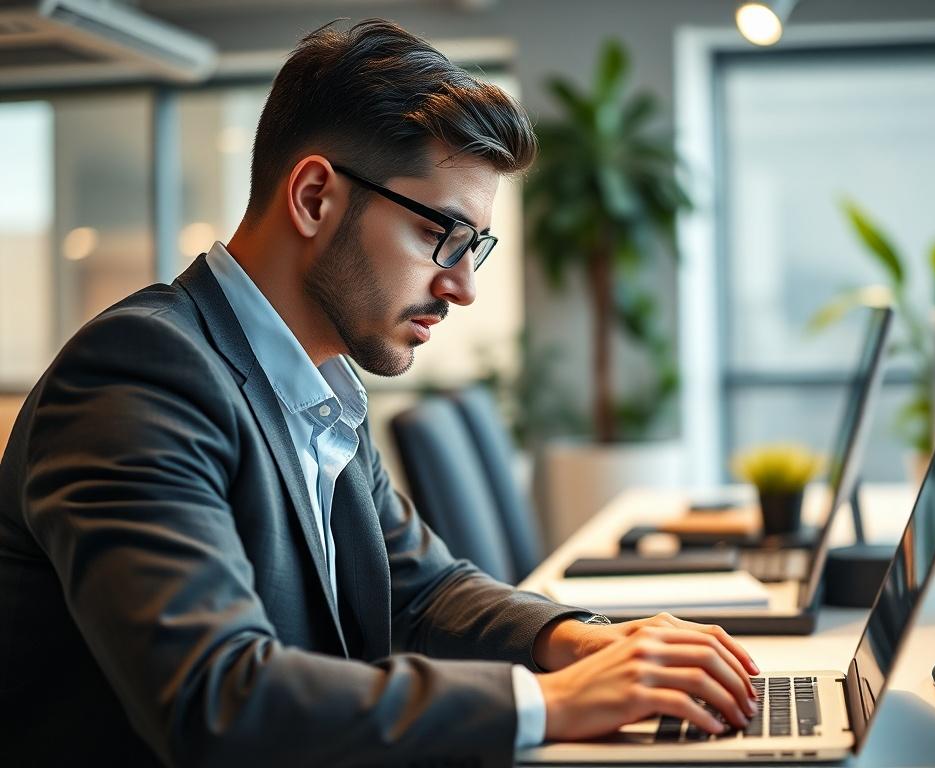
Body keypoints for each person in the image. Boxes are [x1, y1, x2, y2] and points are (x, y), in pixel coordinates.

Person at [0, 18, 759, 768]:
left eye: (475, 249)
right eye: (444, 236)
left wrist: (582, 640)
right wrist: (553, 703)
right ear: (314, 198)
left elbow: (422, 589)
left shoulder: (319, 386)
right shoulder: (140, 372)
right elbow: (215, 699)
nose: (461, 288)